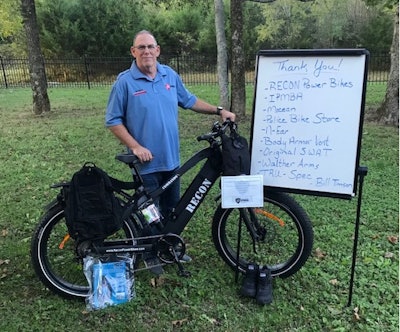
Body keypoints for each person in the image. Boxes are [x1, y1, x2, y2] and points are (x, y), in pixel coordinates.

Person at [105, 30, 235, 274]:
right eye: (140, 47)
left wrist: (219, 110)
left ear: (158, 50)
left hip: (171, 159)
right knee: (149, 212)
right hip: (146, 162)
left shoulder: (169, 75)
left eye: (150, 47)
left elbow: (190, 100)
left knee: (172, 210)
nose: (146, 51)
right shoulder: (125, 82)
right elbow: (113, 120)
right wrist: (135, 146)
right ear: (133, 52)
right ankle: (150, 255)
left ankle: (168, 249)